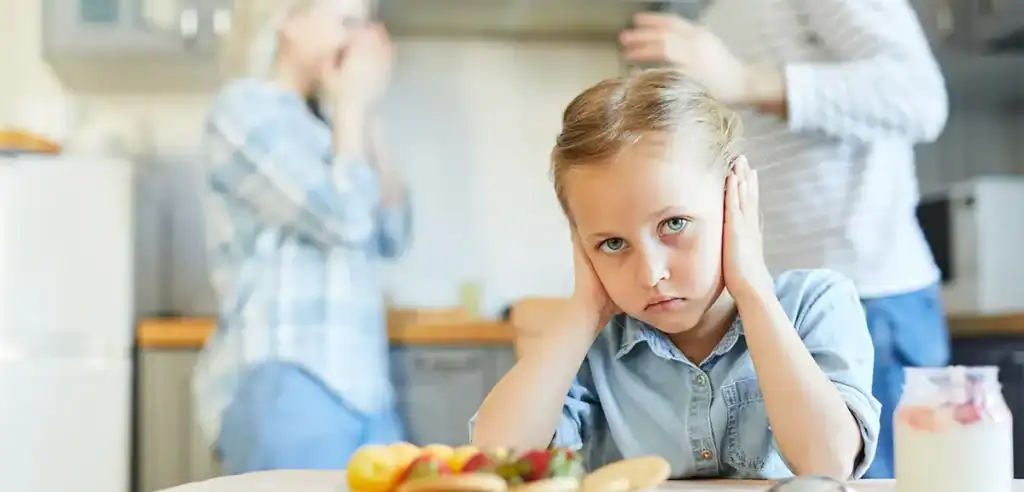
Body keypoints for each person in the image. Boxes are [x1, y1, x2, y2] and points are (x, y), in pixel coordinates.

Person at [470, 68, 881, 481]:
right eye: (612, 244)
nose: (650, 274)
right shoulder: (590, 348)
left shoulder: (817, 303)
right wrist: (584, 309)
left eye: (674, 224)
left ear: (734, 201)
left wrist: (753, 289)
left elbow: (829, 465)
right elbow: (497, 460)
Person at [615, 1, 950, 478]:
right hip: (766, 307)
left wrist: (744, 80)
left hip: (866, 297)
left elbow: (920, 98)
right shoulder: (712, 13)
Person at [191, 0, 412, 474]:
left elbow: (394, 233)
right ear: (289, 20)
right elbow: (345, 219)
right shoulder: (245, 109)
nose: (357, 42)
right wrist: (351, 108)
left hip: (366, 389)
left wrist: (365, 114)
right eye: (346, 23)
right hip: (289, 378)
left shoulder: (333, 127)